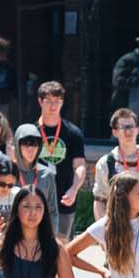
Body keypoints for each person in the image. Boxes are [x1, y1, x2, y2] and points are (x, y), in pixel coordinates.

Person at [33, 81, 89, 241]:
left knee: (62, 246)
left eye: (57, 101)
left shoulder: (73, 132)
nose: (53, 106)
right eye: (48, 101)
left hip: (64, 197)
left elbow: (80, 166)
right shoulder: (31, 131)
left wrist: (74, 189)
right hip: (36, 197)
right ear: (40, 101)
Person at [92, 108, 139, 214]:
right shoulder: (106, 163)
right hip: (118, 224)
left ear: (138, 129)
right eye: (123, 127)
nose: (128, 131)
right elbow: (100, 199)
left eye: (131, 126)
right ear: (115, 132)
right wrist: (103, 229)